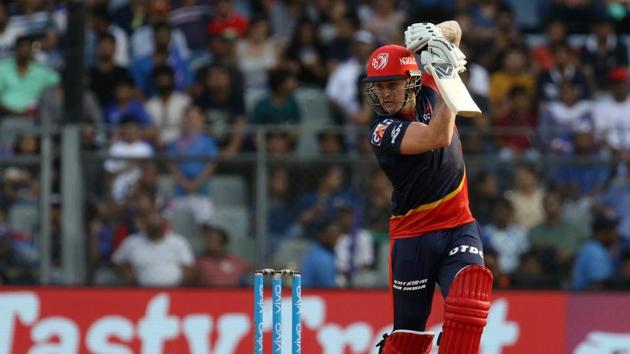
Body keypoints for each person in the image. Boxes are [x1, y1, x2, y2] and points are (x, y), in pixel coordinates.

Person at [365, 22, 492, 354]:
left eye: (392, 85)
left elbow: (457, 31)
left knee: (469, 304)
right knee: (407, 338)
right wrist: (448, 75)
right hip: (413, 236)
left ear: (412, 82)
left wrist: (435, 34)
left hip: (458, 226)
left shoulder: (429, 90)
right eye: (378, 88)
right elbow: (438, 136)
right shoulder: (382, 130)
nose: (385, 94)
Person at [112, 210, 195, 287]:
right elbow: (116, 260)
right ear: (144, 224)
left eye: (156, 222)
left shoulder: (178, 241)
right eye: (151, 223)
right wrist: (128, 275)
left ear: (163, 224)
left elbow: (189, 268)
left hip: (174, 290)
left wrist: (181, 286)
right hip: (141, 291)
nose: (154, 225)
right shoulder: (132, 242)